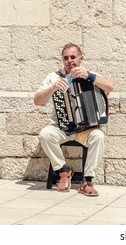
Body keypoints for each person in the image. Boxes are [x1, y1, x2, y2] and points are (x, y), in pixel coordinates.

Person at [34, 43, 114, 197]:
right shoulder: (54, 77)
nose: (70, 61)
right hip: (61, 127)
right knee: (45, 134)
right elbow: (37, 101)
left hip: (84, 129)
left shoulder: (89, 74)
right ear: (62, 60)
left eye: (73, 57)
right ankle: (63, 170)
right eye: (66, 58)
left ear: (80, 58)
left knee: (99, 136)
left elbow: (110, 87)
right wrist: (52, 88)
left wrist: (89, 76)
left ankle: (87, 180)